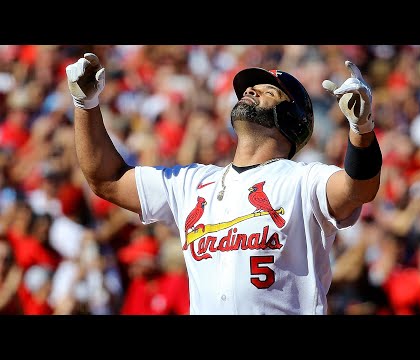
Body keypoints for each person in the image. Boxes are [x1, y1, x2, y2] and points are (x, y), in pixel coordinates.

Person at [65, 52, 382, 315]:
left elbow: (358, 188)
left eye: (268, 91)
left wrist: (362, 130)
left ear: (290, 117)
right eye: (249, 89)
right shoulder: (192, 183)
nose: (251, 91)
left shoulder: (304, 180)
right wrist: (85, 105)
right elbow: (107, 179)